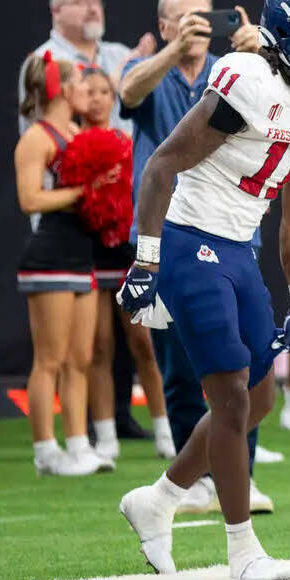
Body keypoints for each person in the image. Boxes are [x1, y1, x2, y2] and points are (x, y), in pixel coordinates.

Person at [116, 0, 290, 580]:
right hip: (186, 238)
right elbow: (161, 167)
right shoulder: (247, 78)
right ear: (288, 38)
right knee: (227, 395)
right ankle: (241, 548)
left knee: (259, 396)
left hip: (238, 248)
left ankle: (158, 500)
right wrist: (146, 262)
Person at [118, 0, 276, 511]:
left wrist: (264, 59)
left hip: (233, 230)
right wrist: (168, 52)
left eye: (203, 17)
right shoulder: (149, 67)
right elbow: (129, 93)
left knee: (247, 361)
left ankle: (239, 473)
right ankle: (195, 480)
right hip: (168, 231)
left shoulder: (237, 72)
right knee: (185, 366)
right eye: (183, 19)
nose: (196, 26)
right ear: (163, 24)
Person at [14, 53, 113, 476]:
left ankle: (78, 444)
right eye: (78, 84)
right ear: (60, 89)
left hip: (80, 255)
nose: (85, 92)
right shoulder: (37, 137)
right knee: (49, 360)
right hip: (49, 256)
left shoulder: (75, 131)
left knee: (81, 357)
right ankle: (44, 451)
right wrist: (82, 192)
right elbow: (30, 199)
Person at [77, 66, 173, 460]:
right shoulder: (69, 144)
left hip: (127, 250)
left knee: (143, 343)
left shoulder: (124, 141)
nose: (98, 98)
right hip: (88, 251)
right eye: (90, 91)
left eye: (105, 91)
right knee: (99, 346)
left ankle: (166, 431)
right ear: (76, 96)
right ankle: (105, 436)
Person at [18, 0, 153, 135]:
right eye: (81, 2)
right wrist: (113, 81)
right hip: (72, 158)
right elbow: (37, 129)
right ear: (56, 11)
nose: (93, 9)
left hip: (129, 157)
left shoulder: (120, 54)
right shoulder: (44, 60)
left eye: (96, 2)